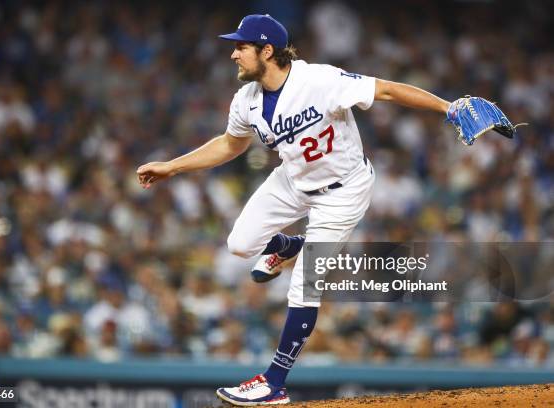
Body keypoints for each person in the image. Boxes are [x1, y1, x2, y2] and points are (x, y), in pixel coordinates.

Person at [137, 14, 451, 406]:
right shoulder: (247, 100)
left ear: (267, 50)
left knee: (304, 286)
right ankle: (289, 244)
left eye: (241, 46)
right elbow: (230, 145)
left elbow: (385, 91)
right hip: (293, 179)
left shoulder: (319, 80)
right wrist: (172, 166)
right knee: (238, 245)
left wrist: (448, 108)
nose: (233, 54)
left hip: (343, 190)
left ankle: (274, 382)